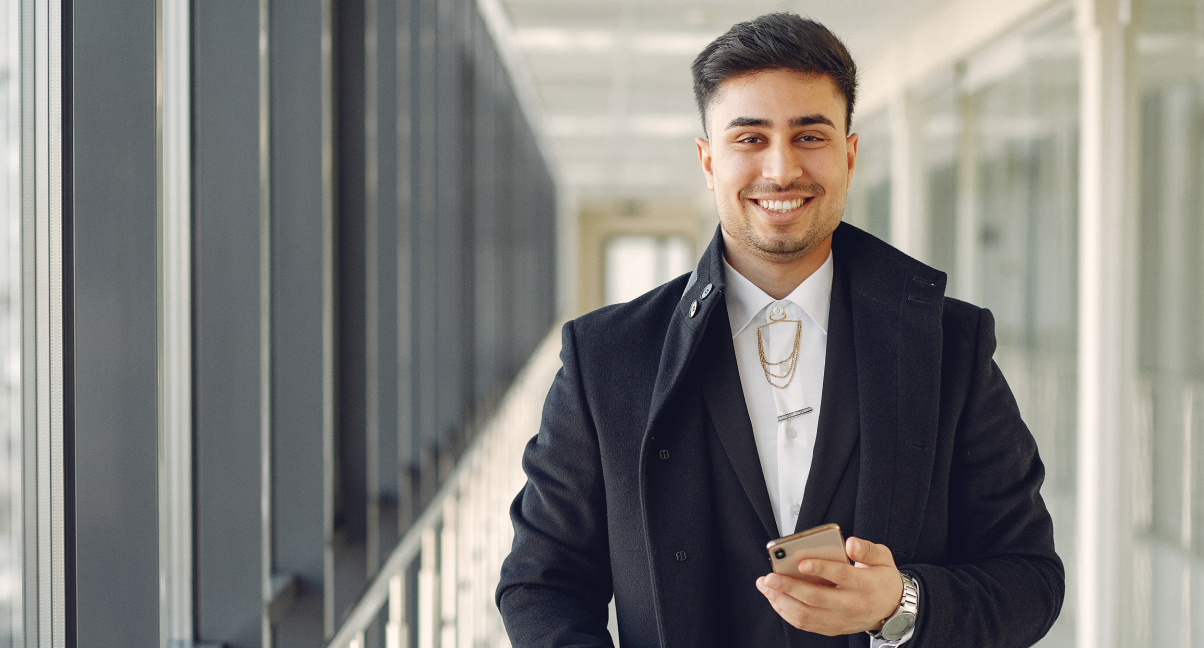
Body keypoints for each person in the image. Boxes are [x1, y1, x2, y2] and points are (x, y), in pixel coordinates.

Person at [496, 13, 1064, 648]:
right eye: (749, 139)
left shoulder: (947, 346)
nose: (780, 169)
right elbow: (541, 583)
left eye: (810, 136)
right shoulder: (607, 358)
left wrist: (900, 604)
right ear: (709, 162)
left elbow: (1030, 578)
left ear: (849, 155)